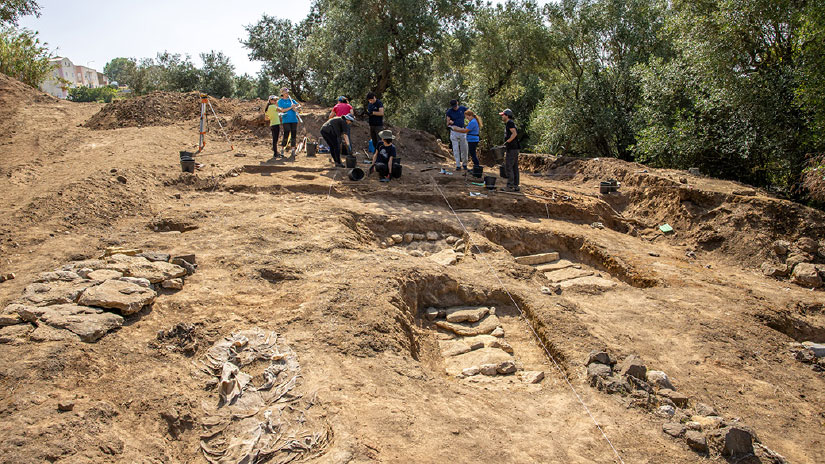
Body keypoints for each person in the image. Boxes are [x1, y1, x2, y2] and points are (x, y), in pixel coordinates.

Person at [500, 108, 520, 191]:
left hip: (512, 148)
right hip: (515, 148)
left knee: (509, 166)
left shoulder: (509, 123)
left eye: (503, 115)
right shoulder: (510, 123)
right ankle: (515, 185)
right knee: (514, 167)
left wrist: (508, 141)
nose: (502, 117)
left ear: (507, 116)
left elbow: (514, 133)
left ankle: (510, 186)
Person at [445, 99, 469, 170]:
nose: (455, 107)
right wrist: (450, 122)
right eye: (453, 106)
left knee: (464, 148)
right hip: (454, 131)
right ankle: (458, 165)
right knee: (455, 149)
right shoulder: (449, 111)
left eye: (455, 106)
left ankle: (464, 164)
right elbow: (447, 123)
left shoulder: (463, 108)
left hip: (462, 130)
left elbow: (470, 114)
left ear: (457, 103)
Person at [277, 87, 299, 157]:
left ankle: (293, 150)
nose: (287, 94)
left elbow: (298, 105)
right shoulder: (280, 101)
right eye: (286, 93)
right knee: (286, 133)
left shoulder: (291, 100)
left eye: (287, 92)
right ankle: (282, 149)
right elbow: (282, 110)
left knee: (294, 134)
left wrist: (296, 108)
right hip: (286, 120)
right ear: (282, 93)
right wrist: (291, 107)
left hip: (294, 119)